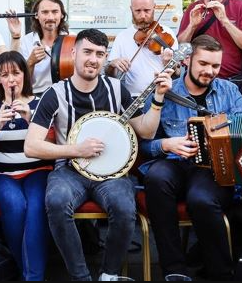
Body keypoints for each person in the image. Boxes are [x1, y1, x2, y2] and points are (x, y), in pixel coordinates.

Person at [24, 28, 173, 281]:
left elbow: (146, 132)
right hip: (69, 171)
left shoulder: (117, 89)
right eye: (88, 52)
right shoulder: (55, 94)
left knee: (125, 207)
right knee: (57, 201)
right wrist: (75, 150)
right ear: (74, 53)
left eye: (100, 54)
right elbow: (32, 146)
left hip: (113, 175)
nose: (93, 59)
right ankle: (81, 277)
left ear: (105, 58)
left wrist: (158, 99)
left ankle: (109, 275)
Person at [139, 34, 242, 280]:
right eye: (203, 64)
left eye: (215, 66)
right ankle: (174, 270)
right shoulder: (165, 90)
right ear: (187, 61)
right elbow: (143, 145)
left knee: (201, 199)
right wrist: (166, 144)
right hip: (173, 163)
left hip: (213, 168)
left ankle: (220, 273)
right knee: (156, 179)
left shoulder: (229, 90)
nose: (210, 71)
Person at [0, 51, 52, 280]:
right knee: (15, 206)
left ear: (25, 75)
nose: (11, 80)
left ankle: (33, 277)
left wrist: (31, 119)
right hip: (5, 173)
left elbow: (55, 143)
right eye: (4, 75)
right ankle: (27, 270)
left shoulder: (41, 101)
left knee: (34, 209)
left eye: (16, 73)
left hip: (38, 170)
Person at [107, 0, 179, 96]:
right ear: (131, 9)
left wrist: (170, 64)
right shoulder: (122, 37)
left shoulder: (167, 33)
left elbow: (177, 73)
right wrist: (113, 65)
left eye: (147, 10)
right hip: (133, 97)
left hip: (163, 95)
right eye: (138, 11)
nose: (142, 16)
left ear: (154, 7)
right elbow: (110, 75)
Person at [7, 0, 69, 96]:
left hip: (67, 95)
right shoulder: (26, 42)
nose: (50, 17)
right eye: (45, 12)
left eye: (55, 12)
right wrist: (30, 62)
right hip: (37, 96)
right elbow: (17, 81)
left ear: (62, 15)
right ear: (36, 15)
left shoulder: (73, 39)